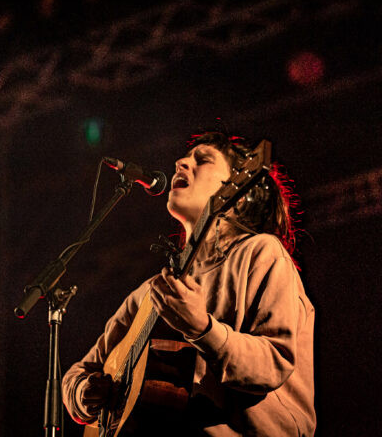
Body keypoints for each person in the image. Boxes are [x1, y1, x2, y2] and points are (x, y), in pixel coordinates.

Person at [62, 131, 316, 436]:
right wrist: (81, 394)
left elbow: (274, 362)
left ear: (236, 187)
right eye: (186, 157)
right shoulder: (152, 291)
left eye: (203, 160)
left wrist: (203, 330)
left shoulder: (261, 253)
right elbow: (79, 373)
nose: (181, 162)